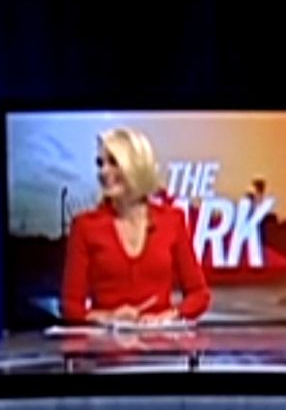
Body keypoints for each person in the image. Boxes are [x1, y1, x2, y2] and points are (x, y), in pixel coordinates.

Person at [60, 127, 212, 325]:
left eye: (114, 162)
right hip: (106, 341)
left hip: (159, 341)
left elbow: (199, 295)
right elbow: (70, 306)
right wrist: (109, 317)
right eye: (100, 163)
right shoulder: (85, 226)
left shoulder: (172, 220)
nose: (103, 172)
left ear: (136, 167)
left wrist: (169, 316)